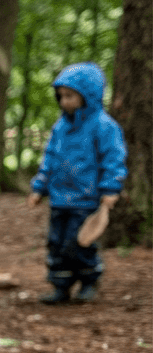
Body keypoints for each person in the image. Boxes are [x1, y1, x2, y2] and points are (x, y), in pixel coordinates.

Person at [27, 62, 126, 304]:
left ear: (88, 95)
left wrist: (111, 188)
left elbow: (113, 158)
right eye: (61, 97)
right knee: (57, 244)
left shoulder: (104, 126)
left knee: (80, 242)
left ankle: (89, 280)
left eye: (70, 96)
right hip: (60, 198)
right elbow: (49, 158)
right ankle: (61, 286)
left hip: (86, 199)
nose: (64, 102)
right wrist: (39, 186)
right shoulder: (60, 127)